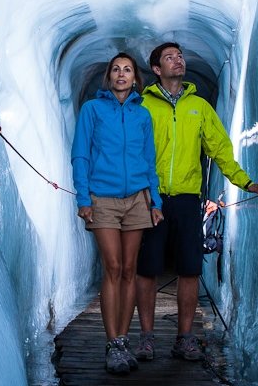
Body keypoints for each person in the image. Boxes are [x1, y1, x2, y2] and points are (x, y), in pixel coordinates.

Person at [132, 42, 258, 362]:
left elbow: (221, 150)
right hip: (150, 198)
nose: (178, 60)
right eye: (169, 58)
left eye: (180, 55)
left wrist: (245, 182)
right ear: (157, 70)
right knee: (147, 269)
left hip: (186, 198)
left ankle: (185, 338)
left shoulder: (199, 107)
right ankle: (146, 337)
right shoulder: (143, 107)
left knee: (190, 269)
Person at [71, 52, 165, 375]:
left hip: (137, 199)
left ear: (136, 78)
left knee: (129, 268)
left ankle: (124, 340)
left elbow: (149, 161)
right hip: (103, 199)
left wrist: (156, 202)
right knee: (112, 266)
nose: (122, 75)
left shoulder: (142, 116)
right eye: (116, 70)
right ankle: (111, 343)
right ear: (109, 76)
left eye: (127, 70)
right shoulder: (92, 110)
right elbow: (81, 155)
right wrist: (83, 198)